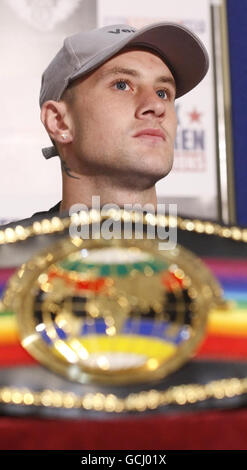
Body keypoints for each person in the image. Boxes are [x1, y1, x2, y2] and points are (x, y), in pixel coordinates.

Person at [34, 22, 208, 218]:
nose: (157, 106)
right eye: (122, 85)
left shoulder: (215, 248)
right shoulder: (13, 248)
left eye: (162, 93)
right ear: (59, 121)